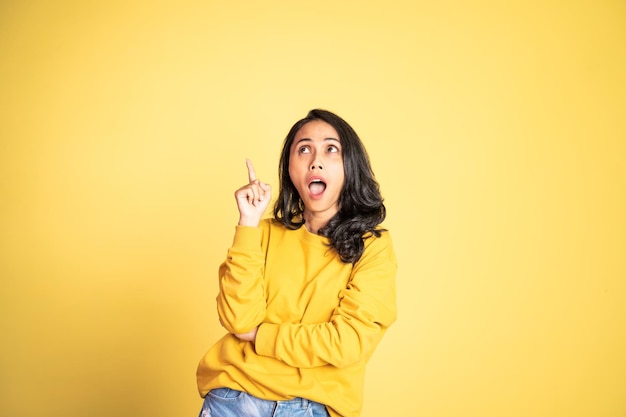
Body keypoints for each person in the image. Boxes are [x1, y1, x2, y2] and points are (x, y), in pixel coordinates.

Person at [196, 109, 397, 417]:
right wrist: (248, 222)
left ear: (349, 165)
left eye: (331, 149)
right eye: (304, 149)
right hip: (235, 397)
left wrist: (259, 335)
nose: (315, 160)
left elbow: (346, 343)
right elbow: (238, 320)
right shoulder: (260, 233)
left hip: (313, 407)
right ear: (290, 168)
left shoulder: (373, 248)